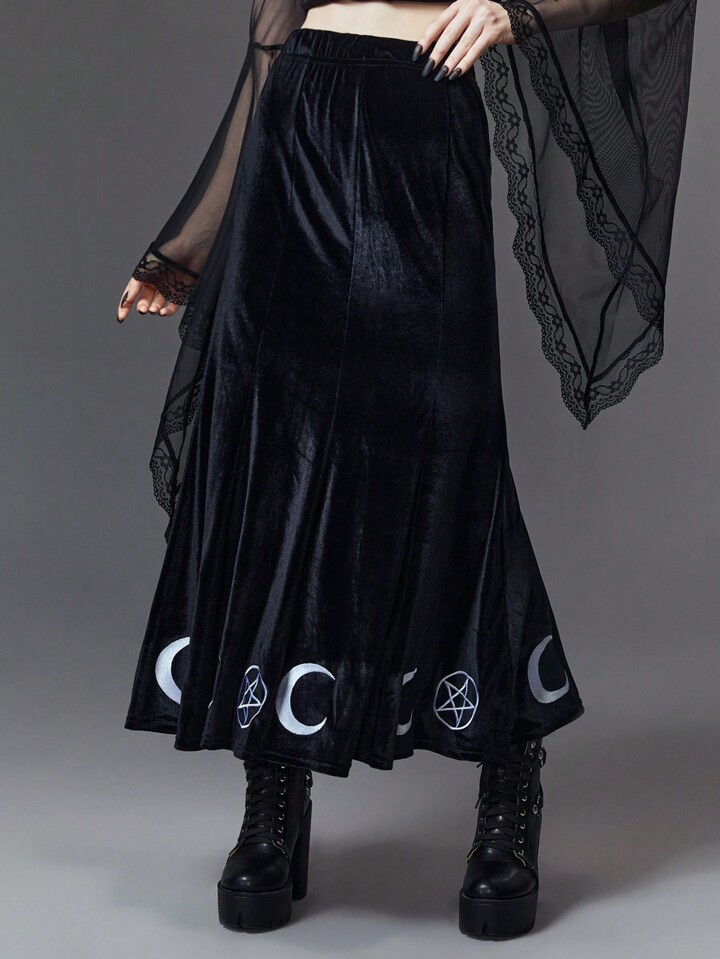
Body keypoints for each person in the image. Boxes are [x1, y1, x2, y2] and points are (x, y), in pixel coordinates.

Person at [116, 0, 697, 940]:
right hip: (296, 139)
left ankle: (509, 774)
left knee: (449, 459)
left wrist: (515, 11)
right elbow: (269, 48)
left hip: (420, 121)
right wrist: (186, 248)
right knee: (284, 461)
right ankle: (274, 784)